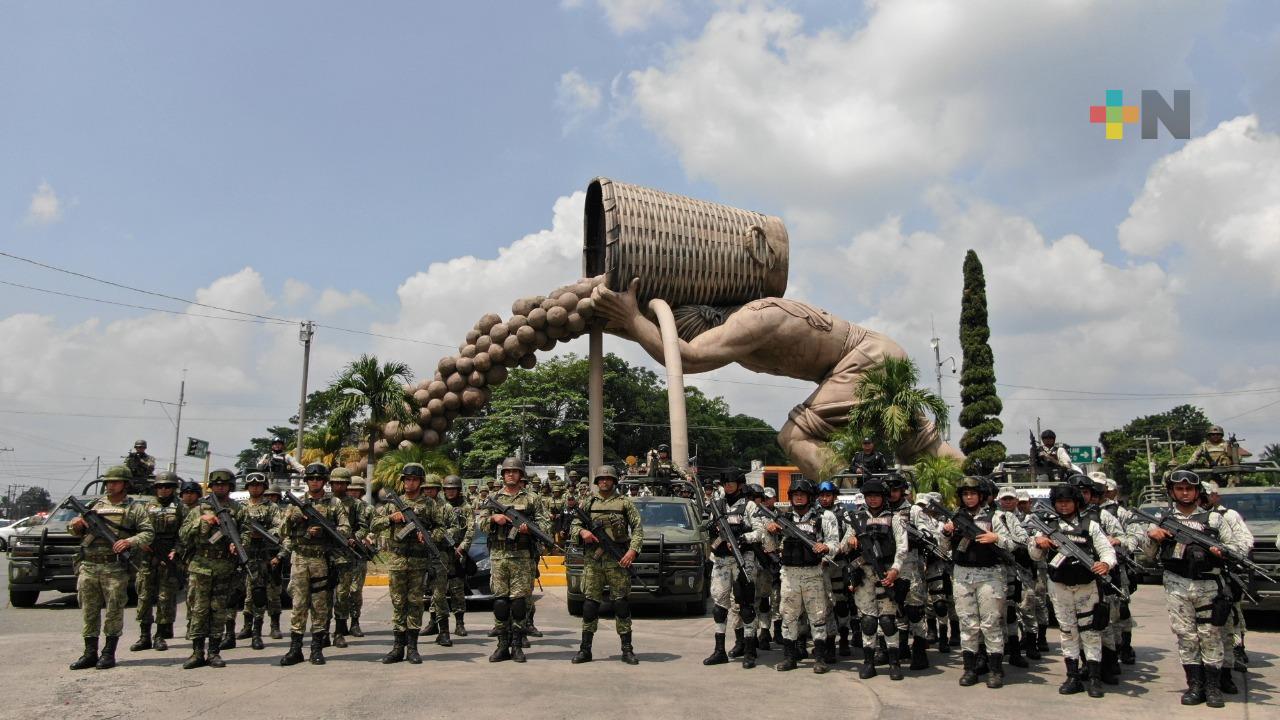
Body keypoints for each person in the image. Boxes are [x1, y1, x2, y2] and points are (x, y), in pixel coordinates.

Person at [591, 277, 962, 482]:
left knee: (794, 435)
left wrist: (631, 319)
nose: (709, 341)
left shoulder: (752, 320)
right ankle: (971, 480)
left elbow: (683, 357)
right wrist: (626, 322)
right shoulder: (745, 327)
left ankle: (848, 497)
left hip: (866, 357)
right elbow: (675, 344)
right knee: (919, 441)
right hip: (875, 353)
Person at [1142, 470, 1251, 708]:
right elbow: (1148, 555)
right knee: (1186, 636)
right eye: (1179, 489)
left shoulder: (1213, 520)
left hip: (1209, 584)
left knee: (1210, 636)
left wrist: (1222, 552)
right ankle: (1195, 686)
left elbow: (1236, 548)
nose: (1184, 493)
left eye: (1188, 489)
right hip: (1177, 584)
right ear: (1172, 492)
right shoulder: (1162, 518)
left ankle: (1213, 688)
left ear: (1196, 492)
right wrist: (1153, 536)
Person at [1028, 483, 1117, 698]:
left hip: (1087, 586)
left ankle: (1094, 678)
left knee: (1091, 632)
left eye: (1068, 502)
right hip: (1059, 586)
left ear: (1076, 503)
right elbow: (1034, 555)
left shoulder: (1091, 525)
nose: (1064, 506)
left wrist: (1105, 564)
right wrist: (1038, 543)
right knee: (1068, 631)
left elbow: (1106, 550)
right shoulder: (1047, 525)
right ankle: (1073, 676)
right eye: (1059, 502)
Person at [67, 465, 154, 670]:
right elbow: (73, 529)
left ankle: (108, 653)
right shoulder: (94, 505)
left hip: (114, 567)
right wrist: (76, 525)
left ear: (125, 484)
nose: (110, 485)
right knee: (89, 610)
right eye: (107, 482)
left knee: (114, 611)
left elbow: (148, 533)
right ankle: (89, 653)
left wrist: (129, 541)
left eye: (114, 482)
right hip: (89, 566)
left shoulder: (134, 508)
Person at [371, 463, 453, 664]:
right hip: (397, 559)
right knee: (398, 603)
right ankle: (397, 648)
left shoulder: (430, 504)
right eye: (407, 479)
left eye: (414, 479)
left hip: (418, 560)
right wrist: (392, 518)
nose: (410, 483)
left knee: (415, 603)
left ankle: (413, 648)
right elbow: (373, 524)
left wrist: (430, 537)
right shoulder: (392, 503)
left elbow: (442, 528)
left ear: (420, 482)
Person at [941, 476, 1017, 689]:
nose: (969, 497)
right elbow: (943, 547)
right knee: (968, 623)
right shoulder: (956, 517)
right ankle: (970, 669)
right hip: (963, 575)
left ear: (981, 496)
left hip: (990, 574)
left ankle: (995, 670)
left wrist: (996, 539)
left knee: (991, 623)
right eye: (965, 494)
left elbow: (1015, 543)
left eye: (973, 494)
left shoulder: (998, 516)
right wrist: (946, 532)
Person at [569, 465, 644, 664]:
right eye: (601, 478)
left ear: (614, 481)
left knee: (621, 604)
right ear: (596, 482)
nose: (604, 481)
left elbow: (637, 527)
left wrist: (632, 550)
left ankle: (627, 649)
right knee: (590, 605)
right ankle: (585, 649)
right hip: (593, 561)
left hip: (618, 560)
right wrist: (582, 533)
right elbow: (574, 524)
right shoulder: (588, 502)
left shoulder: (624, 503)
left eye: (608, 478)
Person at [278, 463, 351, 666]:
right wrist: (297, 522)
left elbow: (345, 530)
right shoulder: (296, 504)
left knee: (320, 605)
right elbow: (282, 531)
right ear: (307, 481)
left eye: (319, 479)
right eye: (311, 479)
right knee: (299, 604)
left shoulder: (334, 504)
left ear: (324, 481)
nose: (315, 482)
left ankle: (317, 649)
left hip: (321, 559)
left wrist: (325, 531)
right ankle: (295, 649)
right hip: (300, 558)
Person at [478, 457, 550, 663]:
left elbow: (545, 525)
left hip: (522, 556)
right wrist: (494, 519)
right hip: (499, 556)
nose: (511, 474)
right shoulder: (494, 498)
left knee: (519, 603)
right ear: (503, 476)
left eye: (514, 472)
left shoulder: (532, 498)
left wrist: (530, 529)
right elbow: (480, 522)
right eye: (507, 472)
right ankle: (502, 645)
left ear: (521, 475)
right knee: (500, 602)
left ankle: (517, 645)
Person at [769, 478, 840, 674]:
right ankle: (789, 657)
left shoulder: (824, 517)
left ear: (809, 497)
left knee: (818, 617)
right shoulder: (781, 519)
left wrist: (826, 547)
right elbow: (768, 545)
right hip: (789, 574)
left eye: (802, 494)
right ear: (790, 498)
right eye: (795, 495)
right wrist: (771, 531)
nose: (799, 497)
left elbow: (835, 543)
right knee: (788, 616)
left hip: (814, 574)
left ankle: (819, 658)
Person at [178, 468, 243, 669]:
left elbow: (246, 531)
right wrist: (200, 521)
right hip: (201, 567)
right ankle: (197, 652)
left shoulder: (238, 509)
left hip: (224, 566)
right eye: (216, 485)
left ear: (230, 486)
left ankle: (214, 651)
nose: (220, 488)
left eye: (223, 485)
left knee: (218, 610)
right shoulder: (198, 508)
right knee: (198, 609)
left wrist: (239, 544)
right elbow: (183, 534)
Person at [703, 472, 765, 669]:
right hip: (721, 560)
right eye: (725, 483)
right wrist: (714, 530)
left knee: (745, 606)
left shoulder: (749, 505)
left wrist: (742, 539)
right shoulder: (718, 505)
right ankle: (719, 650)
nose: (728, 487)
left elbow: (760, 531)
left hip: (743, 559)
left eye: (731, 483)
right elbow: (710, 530)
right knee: (719, 606)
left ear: (739, 485)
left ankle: (749, 651)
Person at [849, 478, 908, 680]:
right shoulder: (856, 518)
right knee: (867, 621)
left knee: (888, 621)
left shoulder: (896, 518)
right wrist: (850, 541)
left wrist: (895, 570)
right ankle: (868, 662)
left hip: (886, 574)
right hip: (864, 576)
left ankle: (894, 662)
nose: (872, 500)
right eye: (869, 497)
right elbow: (843, 545)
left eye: (876, 496)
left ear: (883, 497)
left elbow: (902, 547)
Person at [1202, 480, 1254, 693]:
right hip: (1198, 581)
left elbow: (1245, 541)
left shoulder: (1227, 516)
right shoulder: (1186, 516)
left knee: (1227, 622)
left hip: (1226, 576)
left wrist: (1226, 553)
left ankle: (1228, 667)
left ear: (1214, 497)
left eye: (1206, 496)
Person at [132, 471, 186, 653]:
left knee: (165, 598)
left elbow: (185, 533)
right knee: (144, 596)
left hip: (168, 557)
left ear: (173, 489)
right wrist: (141, 542)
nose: (163, 490)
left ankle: (160, 636)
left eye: (168, 487)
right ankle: (144, 636)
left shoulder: (181, 507)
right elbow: (134, 529)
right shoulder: (145, 506)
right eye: (160, 486)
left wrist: (176, 550)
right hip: (146, 558)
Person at [229, 472, 280, 651]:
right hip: (240, 556)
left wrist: (266, 534)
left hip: (260, 555)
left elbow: (278, 527)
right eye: (252, 485)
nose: (255, 488)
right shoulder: (239, 507)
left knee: (258, 595)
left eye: (259, 485)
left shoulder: (271, 507)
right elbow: (230, 527)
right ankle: (230, 634)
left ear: (264, 487)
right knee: (234, 594)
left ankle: (257, 634)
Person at [887, 472, 933, 670]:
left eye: (895, 489)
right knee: (895, 609)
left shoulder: (914, 510)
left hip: (911, 564)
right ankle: (901, 648)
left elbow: (929, 534)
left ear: (902, 490)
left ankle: (920, 650)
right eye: (888, 489)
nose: (891, 493)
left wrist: (916, 535)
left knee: (914, 610)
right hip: (891, 565)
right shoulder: (882, 511)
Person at [327, 468, 370, 649]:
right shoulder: (326, 502)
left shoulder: (357, 505)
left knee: (349, 592)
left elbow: (363, 526)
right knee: (328, 594)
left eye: (343, 484)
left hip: (351, 553)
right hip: (328, 553)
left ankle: (352, 622)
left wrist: (355, 538)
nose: (340, 486)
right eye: (336, 483)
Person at [993, 486, 1033, 669]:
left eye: (1010, 499)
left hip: (1011, 569)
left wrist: (1001, 541)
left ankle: (1015, 650)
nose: (1007, 502)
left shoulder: (1010, 518)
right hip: (990, 570)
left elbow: (1023, 540)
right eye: (1004, 499)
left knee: (1010, 611)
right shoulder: (988, 516)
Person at [421, 474, 459, 647]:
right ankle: (431, 624)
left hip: (439, 554)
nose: (428, 491)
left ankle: (444, 631)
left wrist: (438, 535)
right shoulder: (418, 506)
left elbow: (455, 528)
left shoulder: (446, 508)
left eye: (431, 488)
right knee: (425, 593)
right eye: (426, 488)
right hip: (419, 555)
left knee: (439, 593)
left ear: (438, 490)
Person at [441, 474, 476, 637]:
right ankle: (436, 623)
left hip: (457, 553)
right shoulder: (438, 506)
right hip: (441, 553)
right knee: (437, 590)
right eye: (447, 489)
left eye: (453, 489)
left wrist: (462, 548)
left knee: (457, 590)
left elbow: (470, 530)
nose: (450, 492)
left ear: (458, 490)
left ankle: (460, 623)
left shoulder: (466, 507)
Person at [343, 475, 376, 638]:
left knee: (355, 590)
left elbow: (374, 527)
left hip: (358, 554)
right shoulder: (338, 505)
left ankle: (355, 622)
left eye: (356, 491)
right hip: (339, 553)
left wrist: (368, 536)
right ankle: (340, 622)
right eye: (350, 490)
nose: (353, 493)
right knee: (339, 591)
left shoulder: (367, 509)